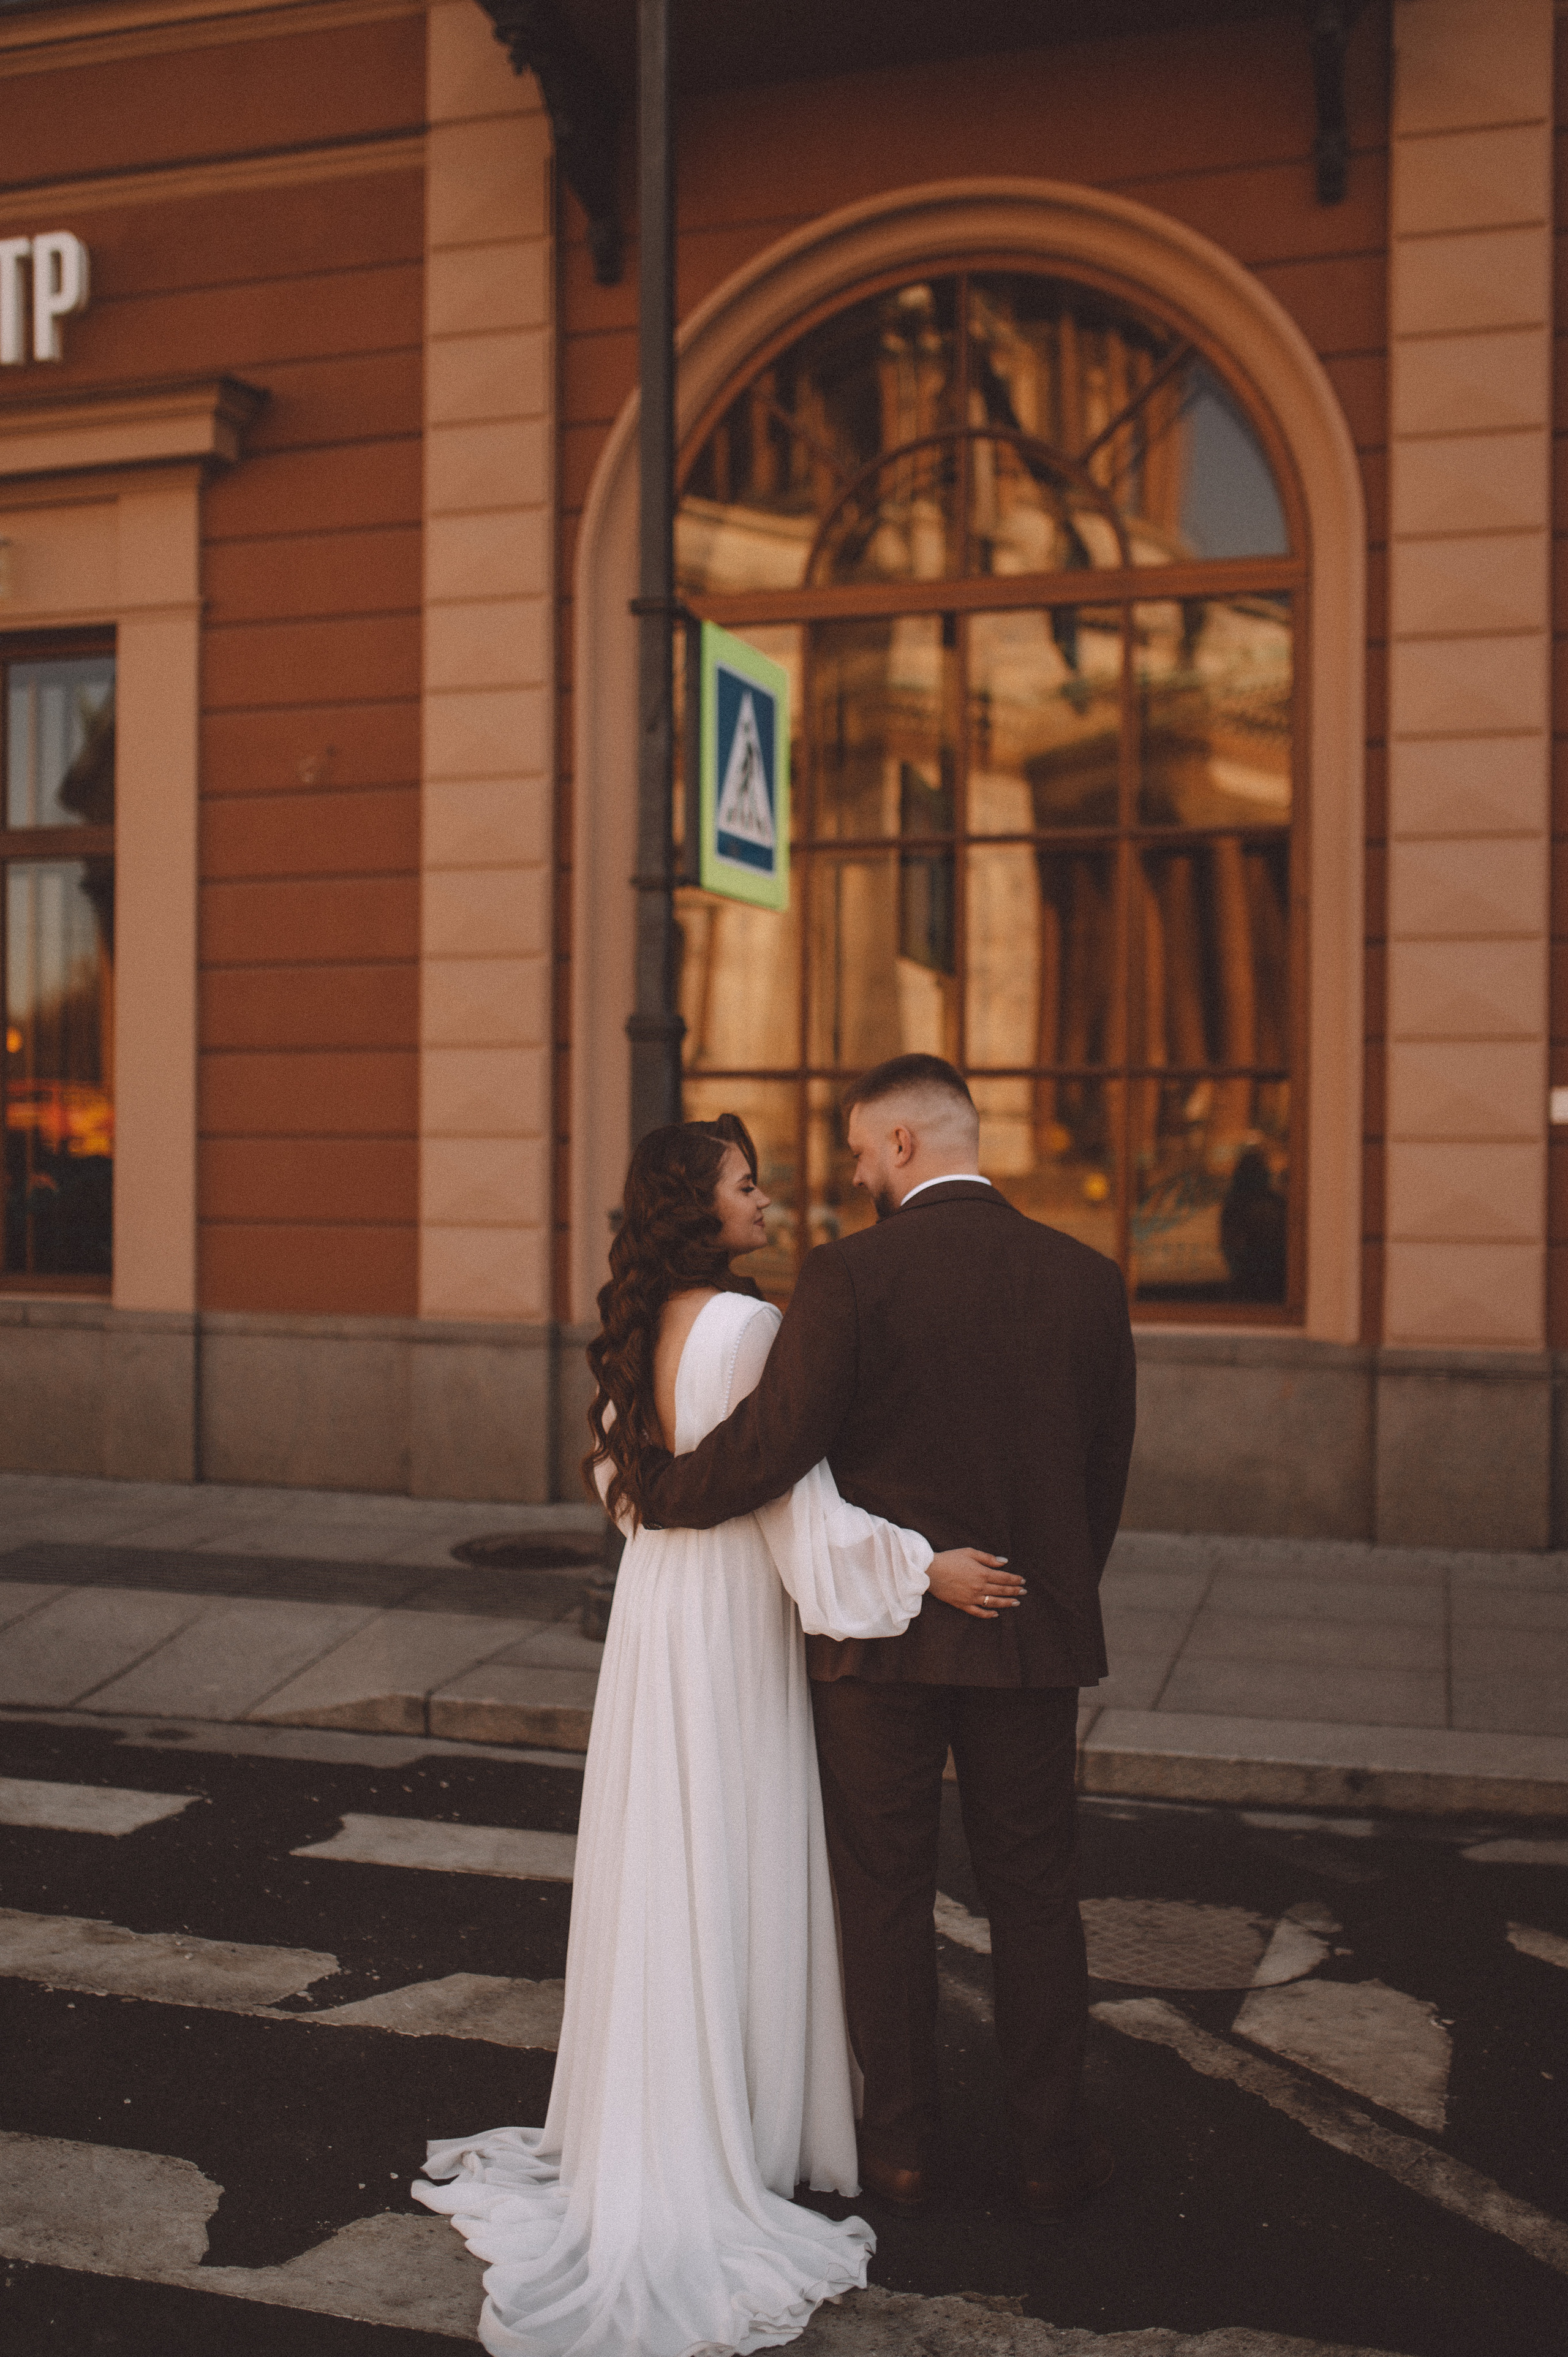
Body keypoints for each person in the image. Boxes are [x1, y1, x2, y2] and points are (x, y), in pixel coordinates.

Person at [413, 1111, 1017, 2357]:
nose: (766, 1196)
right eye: (746, 1184)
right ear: (700, 1207)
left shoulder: (642, 1329)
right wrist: (923, 1568)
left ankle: (662, 2109)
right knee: (730, 1848)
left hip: (657, 1611)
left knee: (667, 1860)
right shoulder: (751, 1328)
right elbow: (797, 1504)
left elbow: (618, 1483)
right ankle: (731, 2129)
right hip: (730, 1613)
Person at [641, 1055, 1137, 2222]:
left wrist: (657, 1490)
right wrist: (1049, 1593)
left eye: (863, 1151)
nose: (855, 1172)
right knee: (1035, 1896)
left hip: (880, 1649)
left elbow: (776, 1446)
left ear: (904, 1144)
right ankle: (1052, 2152)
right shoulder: (1087, 1277)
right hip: (1025, 1631)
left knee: (883, 1896)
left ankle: (904, 2151)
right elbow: (1100, 1475)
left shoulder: (850, 1276)